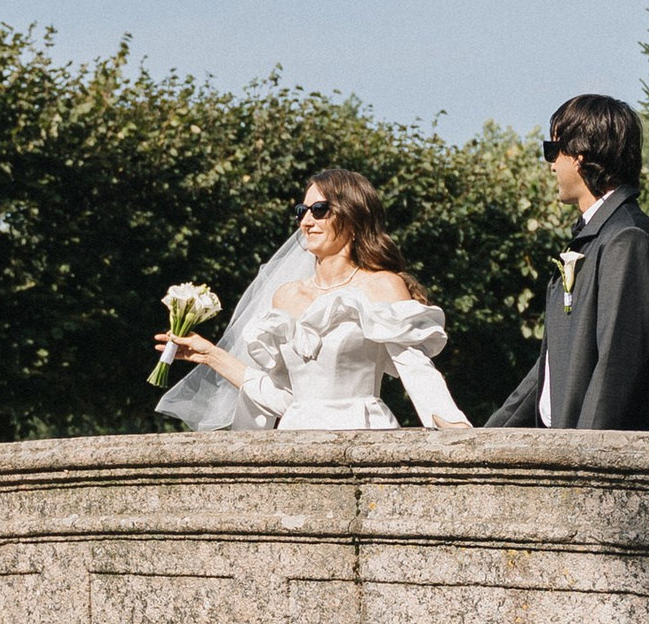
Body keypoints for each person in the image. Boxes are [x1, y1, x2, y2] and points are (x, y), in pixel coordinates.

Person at [154, 167, 470, 432]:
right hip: (295, 438)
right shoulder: (287, 296)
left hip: (365, 433)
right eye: (301, 211)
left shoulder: (382, 286)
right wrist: (209, 355)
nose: (306, 221)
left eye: (319, 210)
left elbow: (416, 371)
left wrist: (455, 426)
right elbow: (283, 396)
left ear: (354, 220)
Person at [487, 93, 649, 429]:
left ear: (580, 155)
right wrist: (486, 439)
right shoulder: (595, 239)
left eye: (552, 150)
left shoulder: (628, 241)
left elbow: (616, 370)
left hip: (601, 468)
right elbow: (550, 368)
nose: (550, 164)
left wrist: (581, 466)